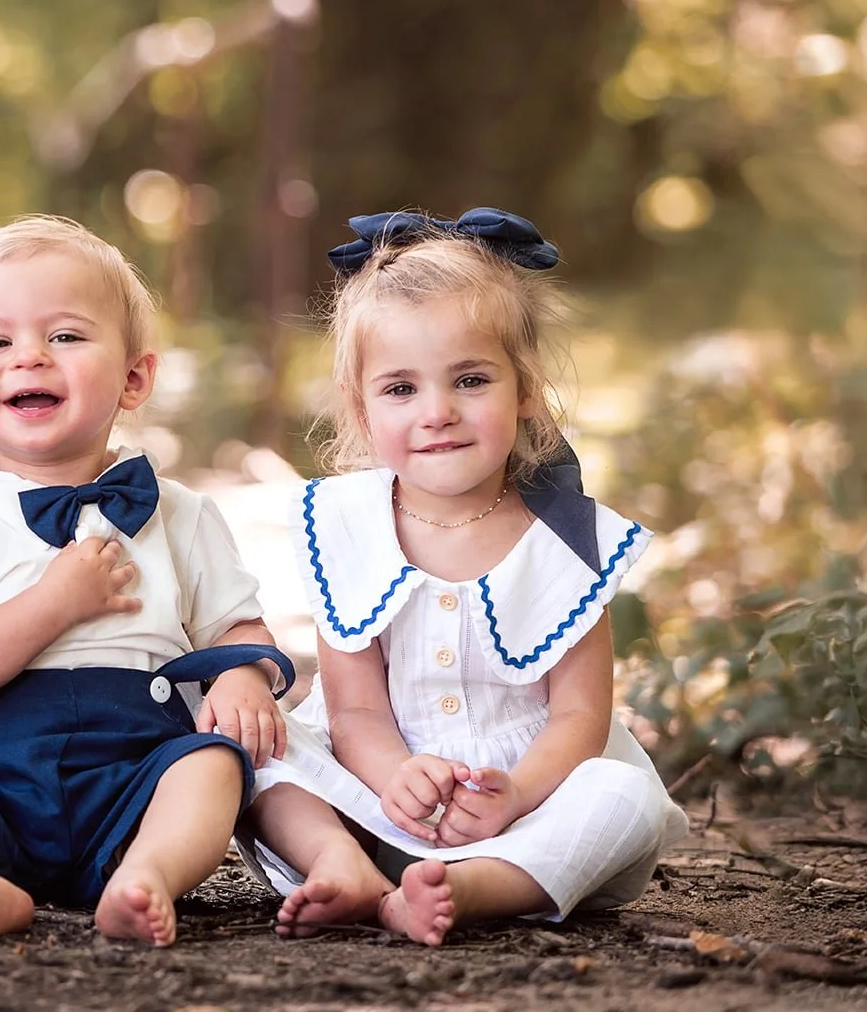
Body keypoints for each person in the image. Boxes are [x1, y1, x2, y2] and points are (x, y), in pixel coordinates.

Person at [239, 208, 688, 946]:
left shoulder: (565, 541)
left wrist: (515, 793)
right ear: (360, 406)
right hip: (381, 799)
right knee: (257, 753)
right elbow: (353, 714)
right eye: (400, 389)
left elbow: (582, 715)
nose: (437, 412)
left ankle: (475, 886)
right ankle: (339, 864)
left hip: (529, 806)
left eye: (471, 379)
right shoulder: (347, 527)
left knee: (626, 795)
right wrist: (396, 777)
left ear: (526, 391)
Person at [0, 216, 294, 947]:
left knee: (213, 767)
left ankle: (146, 873)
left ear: (134, 376)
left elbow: (238, 627)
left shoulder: (179, 513)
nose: (30, 356)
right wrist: (55, 602)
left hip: (137, 773)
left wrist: (244, 678)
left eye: (65, 336)